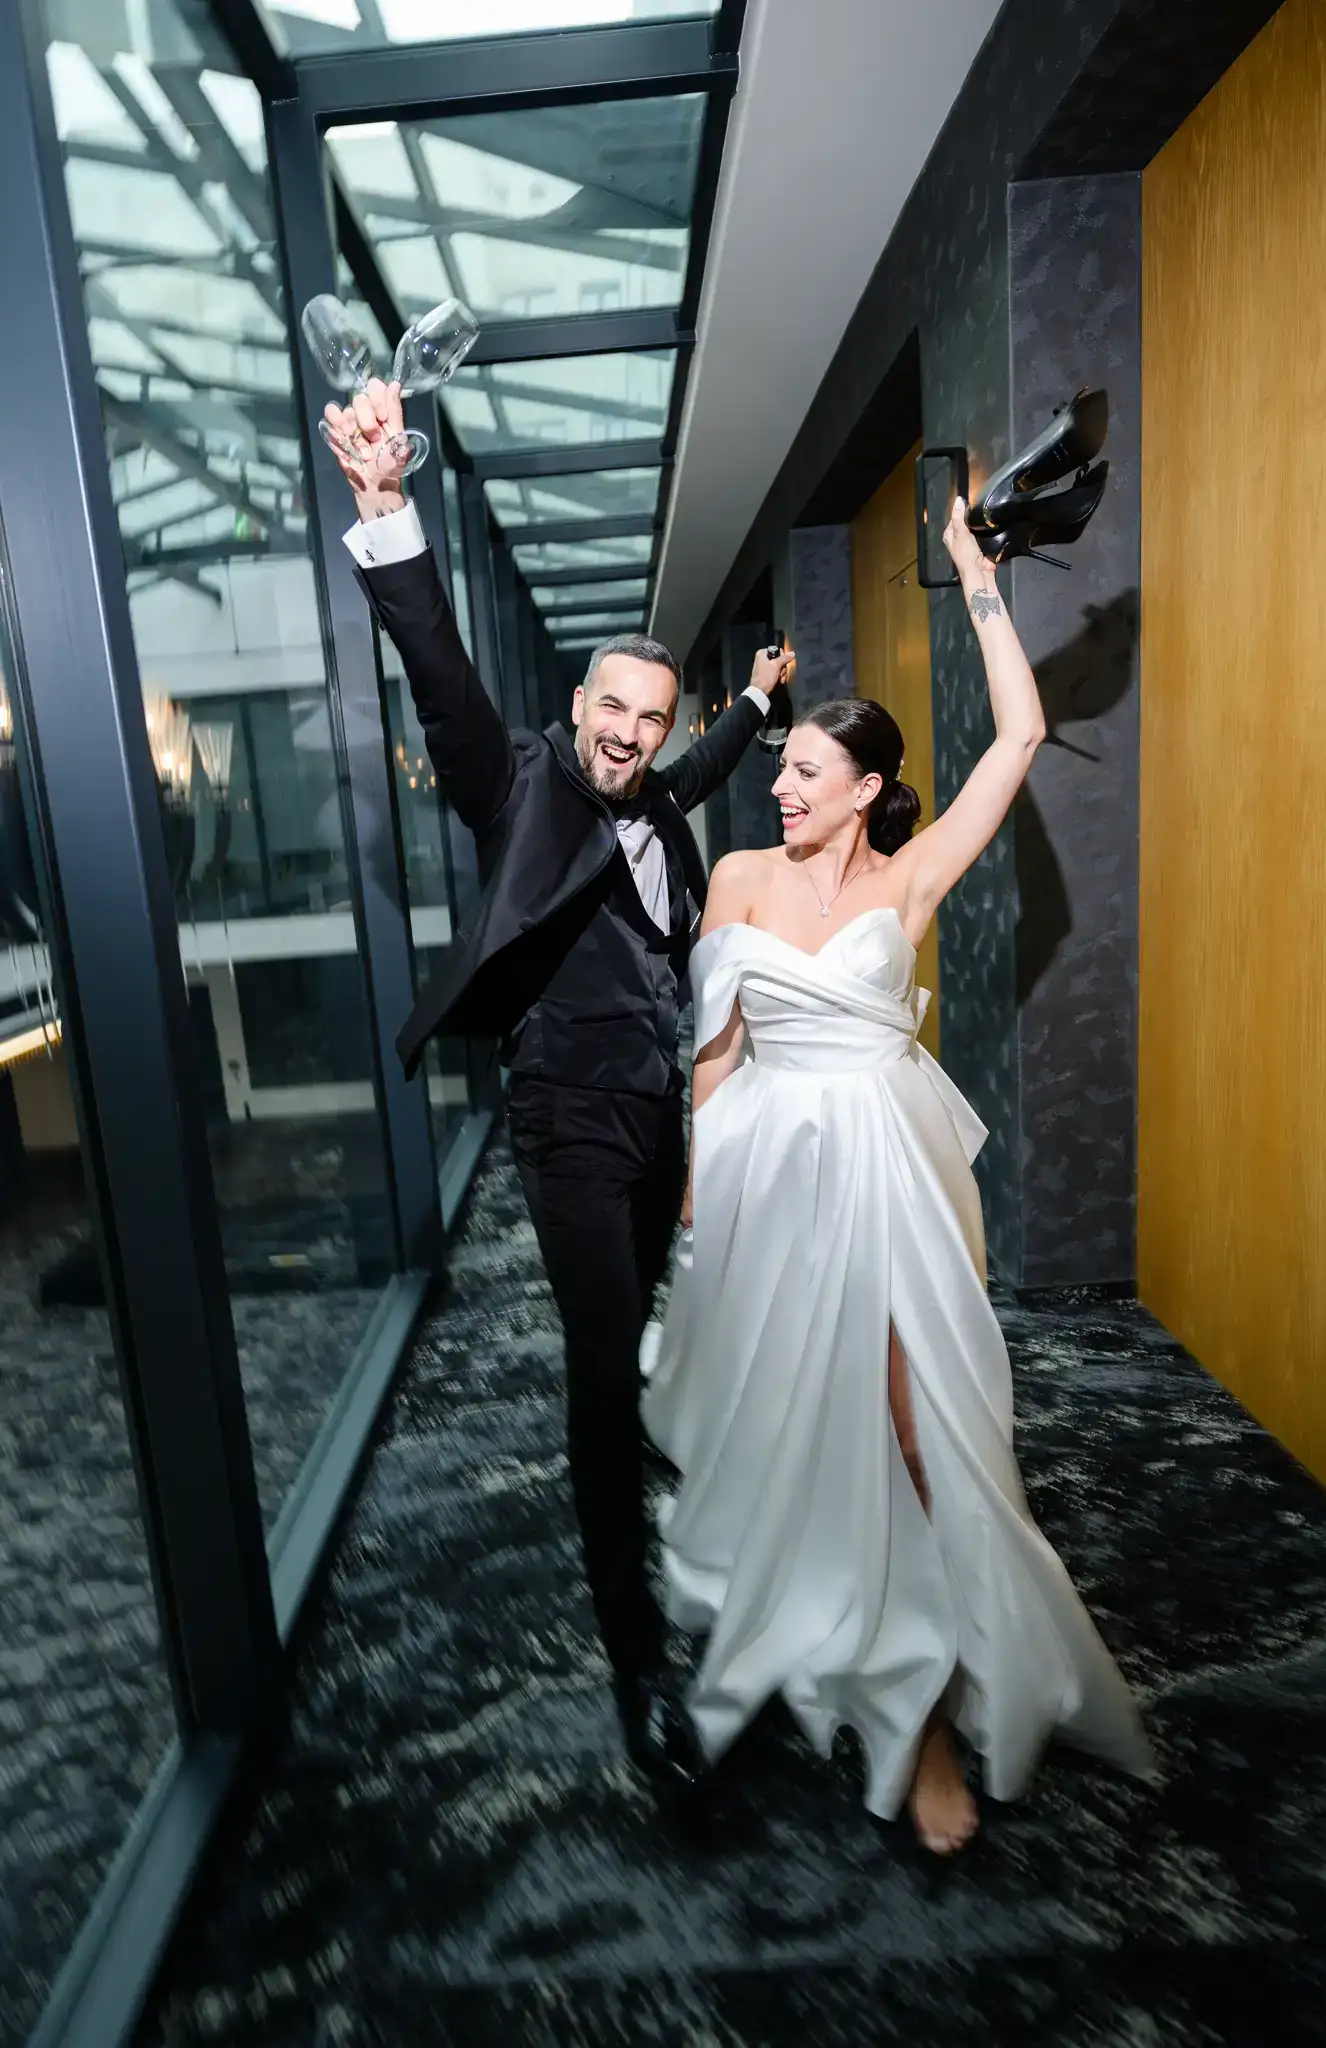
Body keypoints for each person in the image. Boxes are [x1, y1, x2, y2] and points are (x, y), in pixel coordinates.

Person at [642, 497, 1156, 1852]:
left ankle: (932, 1694)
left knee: (920, 1431)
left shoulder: (914, 882)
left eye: (810, 769)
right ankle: (867, 1671)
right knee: (810, 1430)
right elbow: (715, 1047)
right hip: (771, 1176)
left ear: (868, 790)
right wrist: (697, 1180)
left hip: (888, 1170)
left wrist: (981, 578)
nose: (783, 783)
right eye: (784, 765)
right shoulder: (740, 879)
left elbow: (1026, 737)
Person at [325, 378, 792, 1797]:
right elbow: (441, 675)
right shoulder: (515, 776)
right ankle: (637, 1669)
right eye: (614, 710)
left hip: (661, 1118)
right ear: (576, 705)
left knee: (639, 1323)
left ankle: (654, 1484)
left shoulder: (657, 786)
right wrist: (389, 509)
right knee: (603, 1369)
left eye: (651, 719)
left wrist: (756, 707)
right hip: (565, 1122)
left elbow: (700, 771)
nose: (631, 734)